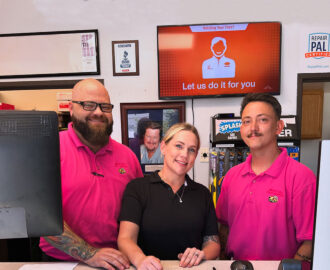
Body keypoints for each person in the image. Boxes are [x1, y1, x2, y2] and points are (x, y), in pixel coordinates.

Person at [39, 79, 143, 270]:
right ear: (71, 108)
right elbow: (40, 217)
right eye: (88, 105)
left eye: (105, 106)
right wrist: (89, 254)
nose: (98, 112)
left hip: (118, 261)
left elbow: (141, 212)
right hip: (62, 263)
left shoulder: (128, 157)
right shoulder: (48, 149)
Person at [216, 93, 316, 261]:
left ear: (278, 127)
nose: (253, 128)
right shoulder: (231, 177)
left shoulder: (302, 177)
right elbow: (223, 228)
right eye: (246, 121)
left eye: (262, 120)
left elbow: (310, 241)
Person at [118, 122, 220, 270]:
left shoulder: (203, 193)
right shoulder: (137, 188)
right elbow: (125, 239)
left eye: (191, 150)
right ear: (164, 147)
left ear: (196, 156)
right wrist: (140, 260)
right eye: (179, 146)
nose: (184, 154)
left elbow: (213, 243)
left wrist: (202, 254)